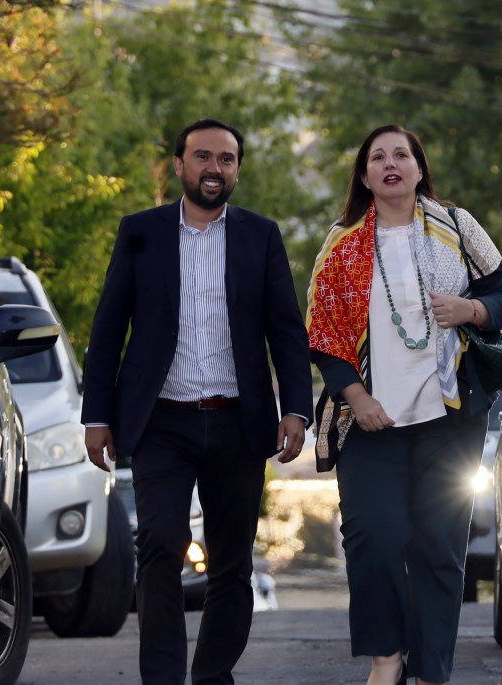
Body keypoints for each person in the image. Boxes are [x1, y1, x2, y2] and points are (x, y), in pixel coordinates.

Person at [81, 118, 313, 685]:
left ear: (237, 169)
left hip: (239, 420)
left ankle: (211, 675)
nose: (215, 169)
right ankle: (162, 678)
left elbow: (286, 329)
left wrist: (296, 409)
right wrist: (97, 413)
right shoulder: (141, 231)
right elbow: (109, 327)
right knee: (160, 543)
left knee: (231, 563)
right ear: (181, 165)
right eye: (203, 157)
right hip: (161, 419)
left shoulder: (261, 235)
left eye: (227, 159)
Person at [305, 123, 502, 685]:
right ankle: (387, 658)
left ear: (420, 168)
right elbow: (323, 333)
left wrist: (470, 311)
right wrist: (356, 395)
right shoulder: (342, 242)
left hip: (450, 420)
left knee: (440, 551)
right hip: (370, 423)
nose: (391, 162)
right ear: (365, 174)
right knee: (372, 537)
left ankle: (429, 673)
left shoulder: (456, 225)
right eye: (378, 156)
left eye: (402, 154)